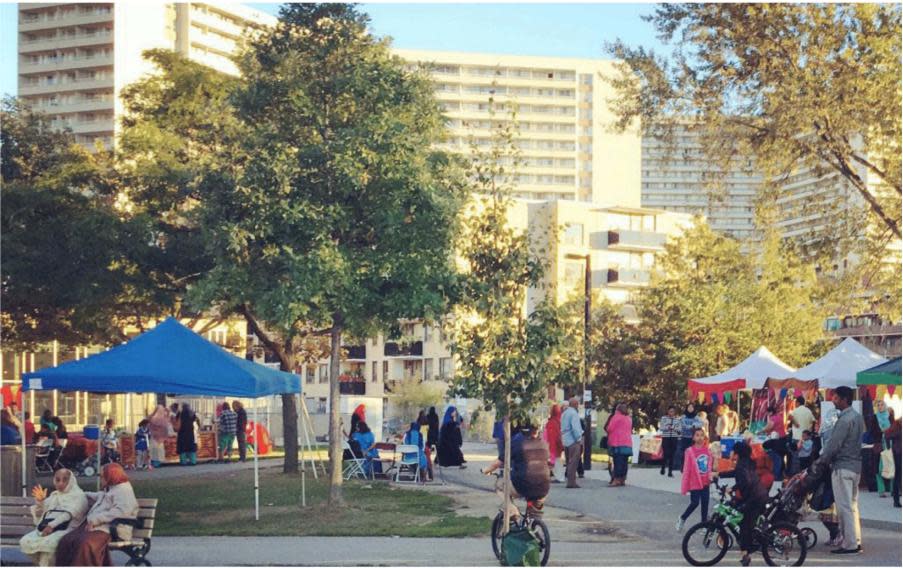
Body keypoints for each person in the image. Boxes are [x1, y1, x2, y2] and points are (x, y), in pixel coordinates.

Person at [55, 463, 139, 566]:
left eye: (102, 476)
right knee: (66, 540)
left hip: (112, 529)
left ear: (111, 476)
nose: (101, 478)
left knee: (86, 544)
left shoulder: (124, 490)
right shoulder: (112, 487)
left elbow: (121, 512)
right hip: (97, 527)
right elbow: (101, 496)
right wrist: (78, 494)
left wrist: (96, 520)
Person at [815, 386, 864, 555]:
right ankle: (855, 540)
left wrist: (821, 461)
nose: (833, 401)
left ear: (844, 399)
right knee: (852, 506)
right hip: (856, 467)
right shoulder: (857, 417)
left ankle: (849, 544)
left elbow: (833, 446)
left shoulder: (844, 420)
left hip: (842, 467)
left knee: (844, 507)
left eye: (835, 398)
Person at [19, 468, 89, 566]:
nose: (60, 483)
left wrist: (51, 526)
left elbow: (68, 514)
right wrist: (40, 502)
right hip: (46, 529)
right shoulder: (55, 495)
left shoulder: (79, 496)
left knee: (49, 546)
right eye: (57, 480)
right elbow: (42, 514)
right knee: (25, 542)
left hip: (68, 530)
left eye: (65, 480)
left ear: (71, 481)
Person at [731, 441, 768, 567]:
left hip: (754, 498)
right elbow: (736, 474)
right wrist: (720, 474)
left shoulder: (742, 465)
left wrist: (732, 488)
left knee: (744, 524)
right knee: (745, 522)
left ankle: (746, 553)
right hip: (759, 495)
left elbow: (744, 482)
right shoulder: (747, 462)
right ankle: (746, 551)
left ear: (737, 453)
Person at [676, 427, 715, 531]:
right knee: (695, 502)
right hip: (695, 482)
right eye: (697, 435)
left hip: (705, 481)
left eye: (702, 435)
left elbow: (710, 466)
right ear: (693, 437)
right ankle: (682, 517)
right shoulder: (689, 451)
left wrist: (710, 476)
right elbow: (687, 469)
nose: (700, 437)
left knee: (705, 503)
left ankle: (703, 525)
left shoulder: (708, 450)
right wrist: (685, 484)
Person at [606, 403, 633, 487]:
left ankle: (616, 480)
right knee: (624, 462)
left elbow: (609, 428)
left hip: (617, 443)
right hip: (627, 443)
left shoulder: (616, 417)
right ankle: (622, 479)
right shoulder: (629, 418)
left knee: (617, 462)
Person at [872, 400, 895, 497]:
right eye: (878, 405)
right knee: (879, 468)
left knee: (892, 466)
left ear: (885, 406)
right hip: (879, 445)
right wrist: (884, 431)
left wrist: (886, 431)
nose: (880, 407)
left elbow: (894, 429)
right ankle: (881, 490)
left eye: (882, 405)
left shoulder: (890, 416)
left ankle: (893, 489)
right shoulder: (874, 417)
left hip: (890, 444)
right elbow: (873, 432)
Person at [561, 397, 584, 488]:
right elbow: (575, 428)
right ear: (575, 404)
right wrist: (578, 438)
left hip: (565, 439)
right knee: (573, 462)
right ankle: (571, 482)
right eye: (577, 404)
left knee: (568, 461)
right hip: (573, 440)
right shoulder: (573, 413)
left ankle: (570, 481)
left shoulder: (565, 413)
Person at [676, 404, 700, 472]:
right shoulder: (683, 417)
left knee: (693, 453)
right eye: (689, 407)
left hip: (693, 438)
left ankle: (693, 468)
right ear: (687, 408)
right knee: (684, 453)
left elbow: (700, 423)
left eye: (692, 407)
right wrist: (687, 427)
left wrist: (694, 425)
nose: (690, 408)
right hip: (684, 437)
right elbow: (680, 424)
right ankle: (683, 468)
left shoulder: (696, 417)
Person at [543, 403, 564, 483]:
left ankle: (559, 477)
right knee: (558, 461)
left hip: (553, 445)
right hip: (558, 444)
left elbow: (552, 436)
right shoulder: (559, 421)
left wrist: (551, 446)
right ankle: (559, 476)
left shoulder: (552, 422)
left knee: (555, 461)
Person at [659, 405, 681, 477]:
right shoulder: (664, 418)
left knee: (672, 455)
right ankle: (663, 467)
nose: (671, 413)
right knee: (666, 453)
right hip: (666, 437)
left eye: (673, 411)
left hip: (674, 438)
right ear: (668, 411)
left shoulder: (677, 419)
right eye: (670, 411)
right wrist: (667, 427)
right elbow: (661, 427)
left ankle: (670, 471)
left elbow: (679, 429)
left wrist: (674, 428)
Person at [885, 416, 901, 508]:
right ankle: (896, 500)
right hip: (898, 453)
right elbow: (887, 435)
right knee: (898, 476)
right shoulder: (897, 425)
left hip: (898, 452)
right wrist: (888, 448)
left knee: (898, 476)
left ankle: (896, 499)